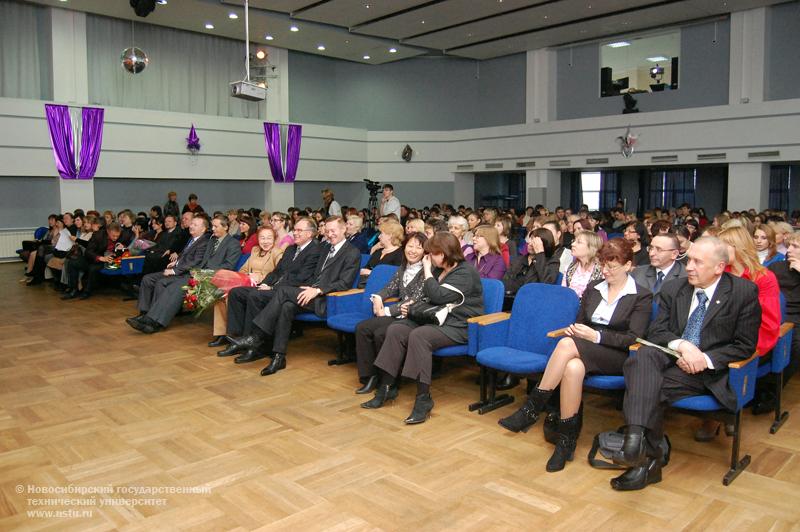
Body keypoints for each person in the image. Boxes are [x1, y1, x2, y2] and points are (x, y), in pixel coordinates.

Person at [613, 236, 760, 491]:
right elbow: (657, 332)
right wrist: (683, 345)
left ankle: (646, 459)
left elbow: (744, 345)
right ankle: (638, 441)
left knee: (647, 386)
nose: (689, 266)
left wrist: (703, 358)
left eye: (697, 262)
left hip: (705, 372)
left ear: (719, 267)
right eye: (688, 259)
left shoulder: (742, 293)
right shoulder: (675, 289)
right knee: (642, 357)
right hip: (671, 356)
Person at [499, 239, 652, 472]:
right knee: (572, 367)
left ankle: (531, 409)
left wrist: (595, 336)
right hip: (586, 348)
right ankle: (565, 441)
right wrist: (578, 330)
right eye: (604, 265)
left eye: (613, 266)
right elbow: (580, 322)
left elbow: (634, 338)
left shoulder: (641, 295)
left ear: (629, 265)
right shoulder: (594, 288)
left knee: (566, 345)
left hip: (617, 354)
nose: (607, 271)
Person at [360, 232, 484, 424]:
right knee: (396, 329)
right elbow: (424, 298)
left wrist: (426, 270)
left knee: (419, 336)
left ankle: (423, 398)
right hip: (434, 319)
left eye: (432, 253)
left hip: (458, 325)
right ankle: (387, 386)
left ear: (443, 253)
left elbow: (437, 296)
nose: (428, 257)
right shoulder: (437, 269)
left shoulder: (465, 272)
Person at [225, 216, 361, 376]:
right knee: (287, 306)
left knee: (283, 291)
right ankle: (278, 356)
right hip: (309, 293)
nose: (330, 234)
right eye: (327, 231)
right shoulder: (324, 248)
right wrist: (310, 287)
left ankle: (255, 337)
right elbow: (312, 273)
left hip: (326, 299)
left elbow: (344, 283)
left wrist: (317, 290)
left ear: (344, 229)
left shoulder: (352, 252)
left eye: (333, 231)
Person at [218, 217, 321, 356]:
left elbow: (301, 278)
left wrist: (272, 288)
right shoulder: (291, 249)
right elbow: (277, 271)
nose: (294, 233)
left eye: (298, 230)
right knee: (236, 292)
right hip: (274, 287)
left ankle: (254, 345)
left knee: (255, 295)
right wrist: (266, 283)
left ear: (309, 234)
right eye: (294, 229)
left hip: (290, 291)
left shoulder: (315, 250)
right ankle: (236, 338)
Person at [128, 216, 241, 334]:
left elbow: (228, 266)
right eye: (212, 226)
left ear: (226, 227)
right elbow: (199, 257)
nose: (212, 228)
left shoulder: (233, 244)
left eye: (216, 226)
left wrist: (203, 273)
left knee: (176, 287)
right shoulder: (212, 240)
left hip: (211, 277)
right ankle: (151, 318)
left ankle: (154, 322)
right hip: (197, 273)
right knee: (165, 283)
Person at [354, 232, 428, 394]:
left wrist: (386, 311)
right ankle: (369, 376)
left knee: (382, 332)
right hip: (398, 314)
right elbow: (390, 288)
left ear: (425, 251)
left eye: (418, 247)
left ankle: (389, 379)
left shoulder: (426, 272)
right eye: (410, 246)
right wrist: (379, 297)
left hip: (413, 316)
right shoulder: (403, 267)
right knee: (362, 328)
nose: (413, 250)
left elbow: (415, 300)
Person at [209, 226, 284, 347]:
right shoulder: (255, 250)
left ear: (275, 239)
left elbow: (278, 274)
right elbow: (243, 269)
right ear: (258, 239)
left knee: (230, 296)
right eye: (262, 238)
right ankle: (223, 334)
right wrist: (248, 275)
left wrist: (259, 277)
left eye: (269, 238)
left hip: (263, 286)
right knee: (220, 295)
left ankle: (236, 337)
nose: (265, 241)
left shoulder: (278, 253)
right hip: (246, 282)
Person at [62, 222, 124, 300]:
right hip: (94, 258)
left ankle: (87, 292)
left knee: (93, 269)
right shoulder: (98, 235)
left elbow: (127, 250)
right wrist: (100, 258)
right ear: (108, 231)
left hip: (109, 262)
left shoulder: (121, 236)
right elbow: (88, 251)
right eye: (113, 235)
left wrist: (122, 248)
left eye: (117, 236)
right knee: (72, 263)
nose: (115, 238)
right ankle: (74, 289)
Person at [502, 228, 560, 298]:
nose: (529, 243)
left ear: (544, 244)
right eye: (530, 238)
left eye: (535, 241)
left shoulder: (552, 261)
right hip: (511, 298)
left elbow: (547, 284)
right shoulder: (519, 259)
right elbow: (506, 281)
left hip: (534, 300)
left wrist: (540, 254)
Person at [359, 220, 404, 286]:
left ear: (390, 235)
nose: (379, 236)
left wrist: (371, 273)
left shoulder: (400, 254)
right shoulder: (378, 251)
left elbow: (394, 276)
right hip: (368, 285)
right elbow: (365, 269)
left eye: (381, 233)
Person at [563, 230, 603, 299]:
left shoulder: (601, 271)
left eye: (579, 242)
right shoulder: (569, 268)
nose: (573, 244)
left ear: (591, 248)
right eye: (574, 241)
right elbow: (563, 292)